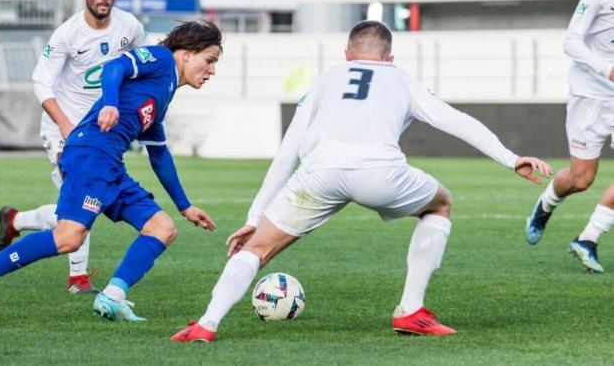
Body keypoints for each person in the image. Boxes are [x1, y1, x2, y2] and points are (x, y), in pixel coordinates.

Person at [171, 20, 552, 341]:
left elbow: (288, 150)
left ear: (347, 54)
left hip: (319, 173)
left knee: (256, 248)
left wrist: (256, 216)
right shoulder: (401, 78)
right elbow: (454, 120)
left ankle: (206, 324)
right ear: (389, 57)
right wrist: (510, 158)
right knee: (440, 203)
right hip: (381, 173)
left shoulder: (325, 78)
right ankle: (410, 310)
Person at [0, 20, 222, 323]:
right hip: (89, 154)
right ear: (186, 53)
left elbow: (158, 153)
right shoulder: (161, 60)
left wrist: (185, 206)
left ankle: (113, 296)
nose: (212, 70)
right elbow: (114, 68)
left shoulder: (165, 90)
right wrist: (110, 104)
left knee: (162, 228)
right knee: (69, 237)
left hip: (110, 164)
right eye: (209, 60)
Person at [0, 0, 148, 294]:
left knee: (80, 206)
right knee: (83, 202)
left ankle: (16, 220)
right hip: (65, 131)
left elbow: (137, 70)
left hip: (104, 133)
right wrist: (64, 125)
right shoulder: (67, 34)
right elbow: (41, 84)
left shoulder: (131, 28)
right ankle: (77, 279)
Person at [524, 0, 614, 273]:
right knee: (581, 179)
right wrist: (607, 69)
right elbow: (571, 41)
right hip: (590, 95)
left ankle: (587, 239)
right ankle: (545, 205)